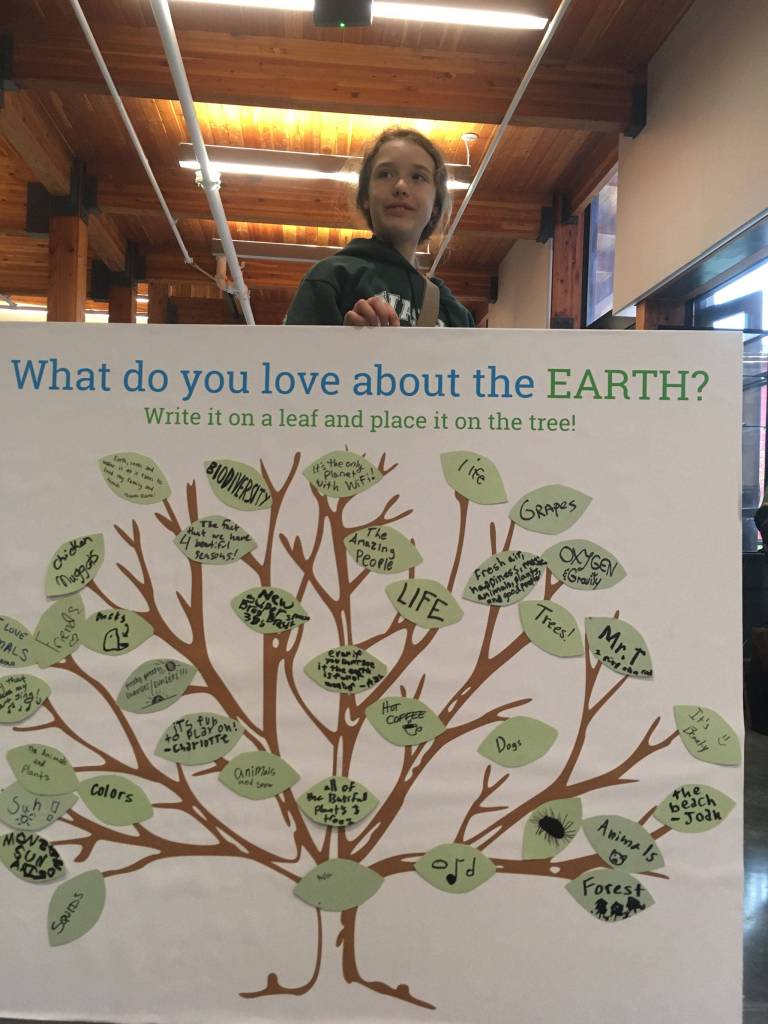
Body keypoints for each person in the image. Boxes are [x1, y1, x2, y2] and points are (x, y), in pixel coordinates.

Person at [284, 128, 474, 328]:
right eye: (385, 174)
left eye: (418, 177)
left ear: (436, 205)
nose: (401, 186)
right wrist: (344, 343)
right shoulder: (332, 277)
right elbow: (292, 357)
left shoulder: (454, 313)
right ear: (366, 197)